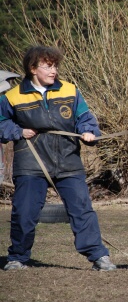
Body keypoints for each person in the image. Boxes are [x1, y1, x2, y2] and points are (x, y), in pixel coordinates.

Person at [0, 46, 116, 271]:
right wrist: (17, 132)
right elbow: (1, 122)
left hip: (68, 161)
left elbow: (84, 117)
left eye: (55, 66)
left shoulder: (70, 90)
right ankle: (17, 257)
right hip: (31, 163)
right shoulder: (12, 97)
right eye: (48, 66)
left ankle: (99, 257)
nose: (54, 70)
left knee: (82, 210)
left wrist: (89, 132)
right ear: (33, 68)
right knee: (24, 212)